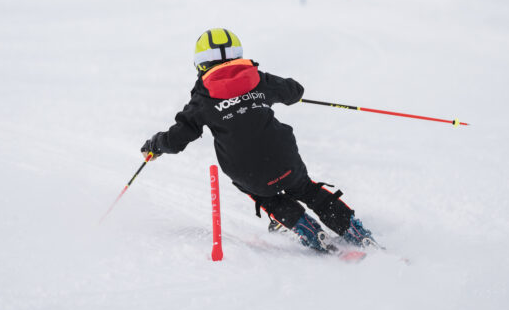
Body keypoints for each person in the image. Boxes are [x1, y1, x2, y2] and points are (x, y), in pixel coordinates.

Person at [141, 28, 379, 253]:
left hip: (246, 170)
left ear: (200, 63)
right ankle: (353, 229)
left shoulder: (202, 98)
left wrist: (154, 145)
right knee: (306, 189)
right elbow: (294, 91)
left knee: (268, 197)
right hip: (284, 158)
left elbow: (176, 139)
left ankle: (306, 229)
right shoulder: (257, 79)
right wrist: (267, 93)